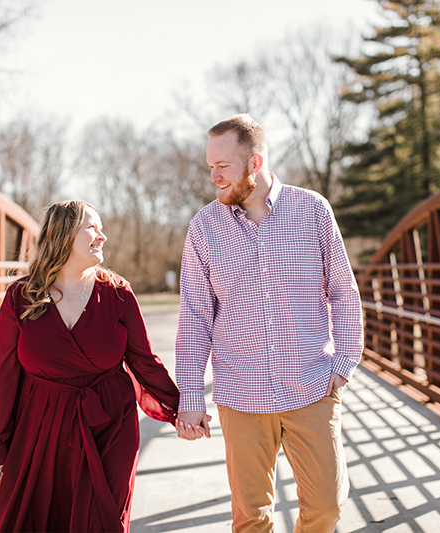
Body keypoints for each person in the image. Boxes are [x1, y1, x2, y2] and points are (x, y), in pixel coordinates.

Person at [175, 114, 363, 533]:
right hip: (240, 394)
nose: (214, 177)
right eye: (211, 166)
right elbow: (195, 316)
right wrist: (190, 394)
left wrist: (344, 362)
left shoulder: (312, 210)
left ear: (255, 163)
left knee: (327, 507)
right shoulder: (204, 227)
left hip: (311, 385)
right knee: (251, 518)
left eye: (223, 166)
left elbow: (343, 292)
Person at [0, 200, 180, 533]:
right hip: (42, 426)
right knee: (41, 519)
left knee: (103, 520)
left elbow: (144, 360)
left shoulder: (117, 293)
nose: (103, 236)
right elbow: (4, 375)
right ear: (64, 233)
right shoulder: (21, 296)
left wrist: (180, 408)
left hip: (111, 424)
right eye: (92, 227)